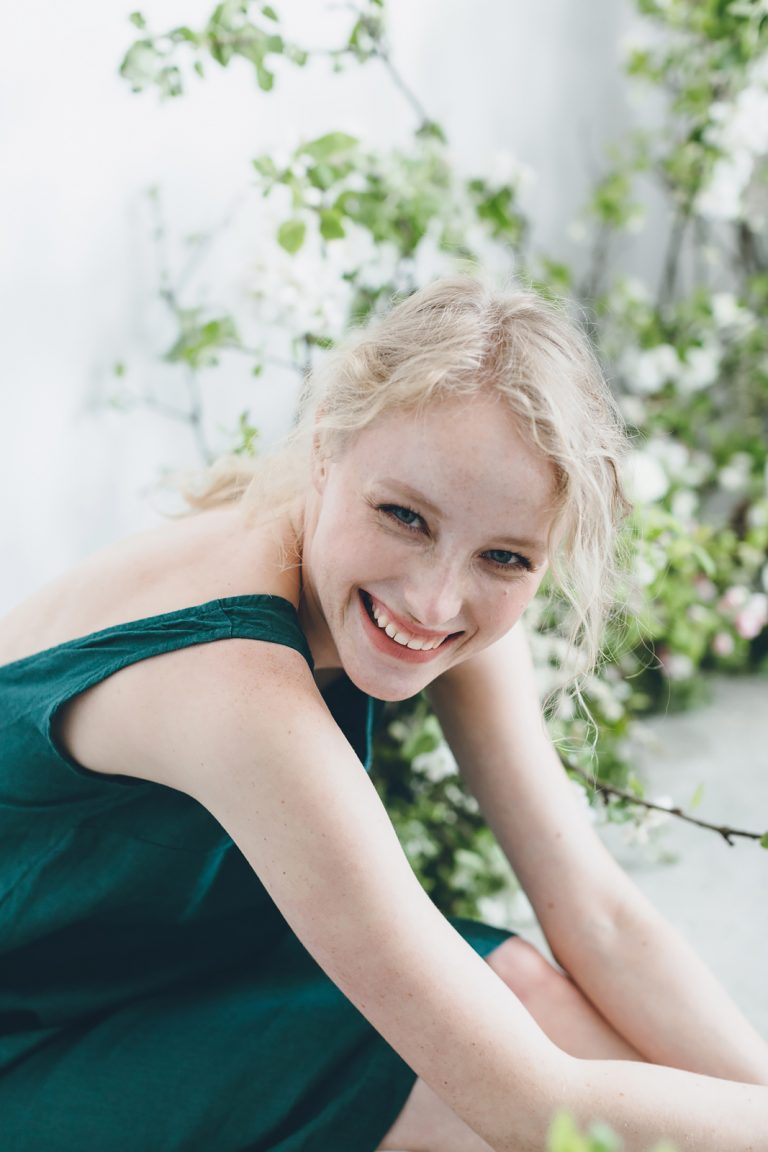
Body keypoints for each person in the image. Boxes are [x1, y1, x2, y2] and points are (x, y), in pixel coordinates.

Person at [0, 275, 766, 1152]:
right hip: (31, 1043)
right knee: (469, 1105)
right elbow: (530, 1107)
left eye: (507, 559)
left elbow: (599, 917)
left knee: (520, 990)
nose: (435, 601)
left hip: (179, 980)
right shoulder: (235, 688)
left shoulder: (434, 584)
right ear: (329, 446)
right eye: (405, 516)